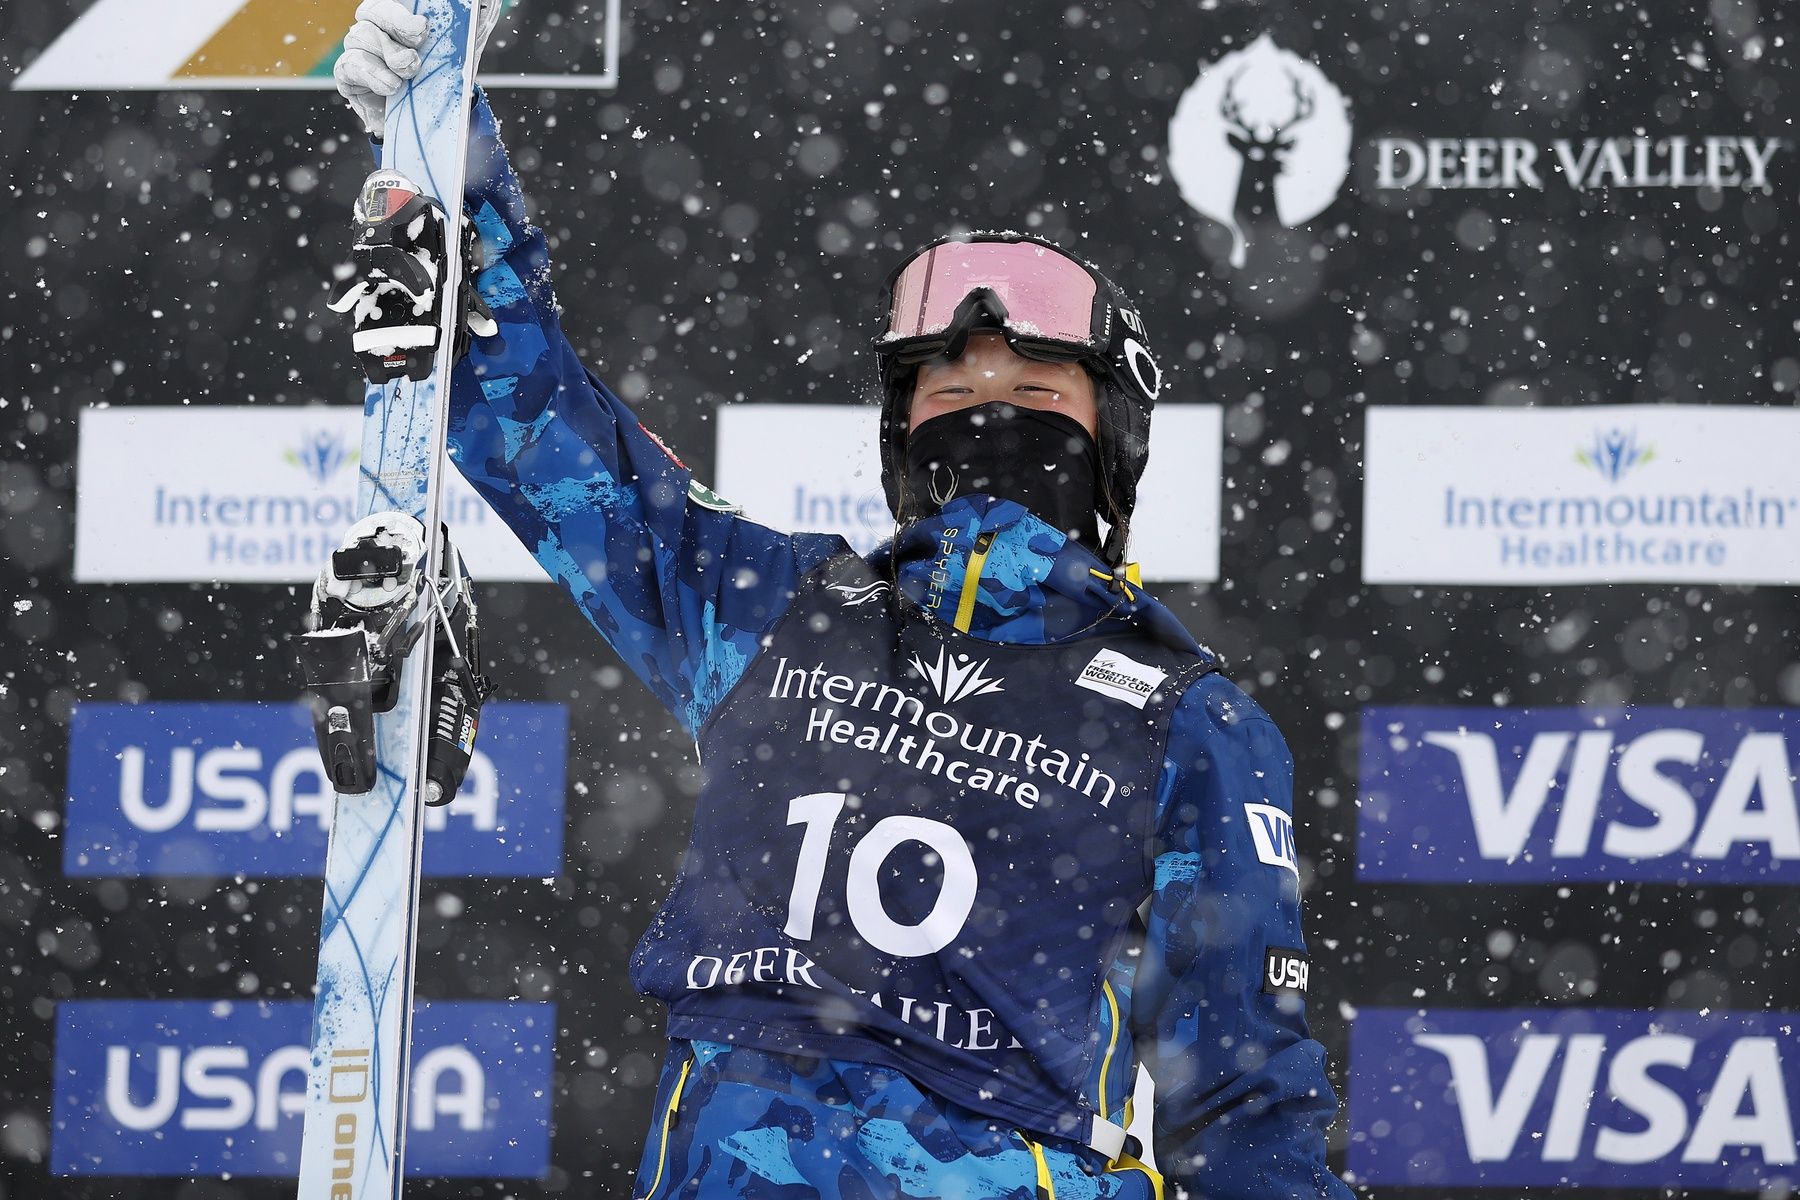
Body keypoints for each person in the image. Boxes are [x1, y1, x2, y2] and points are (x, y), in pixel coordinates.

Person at [335, 5, 1354, 1197]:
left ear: (1109, 443)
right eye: (951, 395)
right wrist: (448, 161)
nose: (992, 417)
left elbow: (1245, 1098)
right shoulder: (780, 610)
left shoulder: (1187, 721)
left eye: (1036, 395)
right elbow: (549, 438)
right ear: (901, 439)